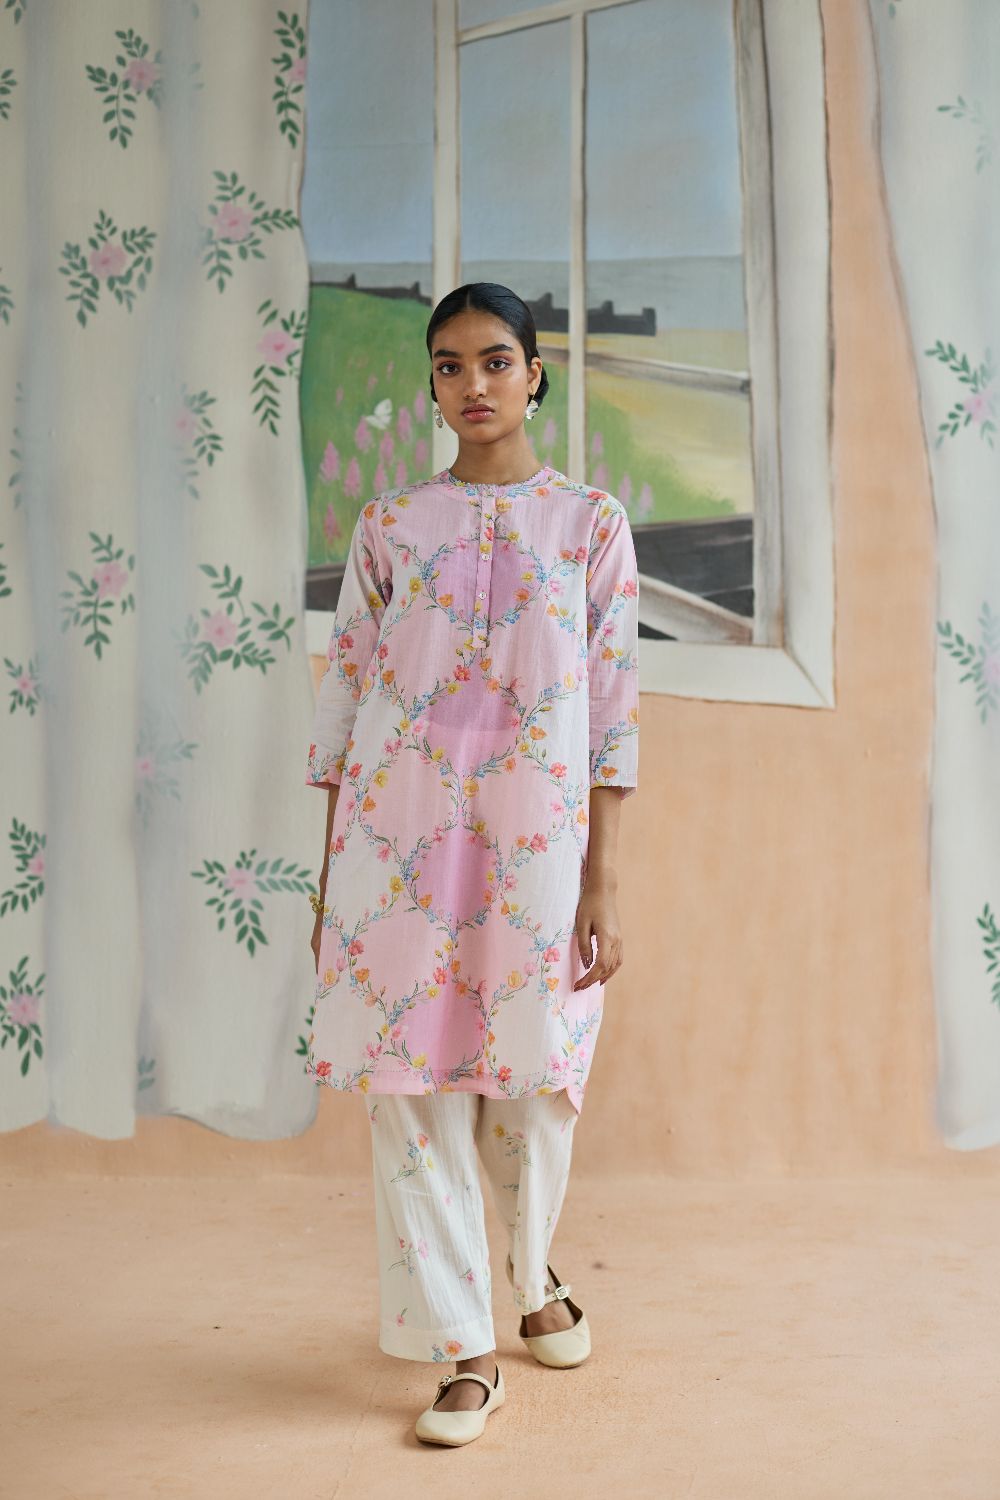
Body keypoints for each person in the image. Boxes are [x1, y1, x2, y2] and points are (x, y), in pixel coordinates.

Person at [305, 282, 639, 1446]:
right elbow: (346, 695)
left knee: (533, 1073)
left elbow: (611, 708)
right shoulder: (390, 526)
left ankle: (532, 1272)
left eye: (495, 360)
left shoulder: (588, 524)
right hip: (393, 842)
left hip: (534, 842)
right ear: (433, 385)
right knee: (406, 1085)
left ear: (534, 374)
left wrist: (601, 877)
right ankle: (463, 1347)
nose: (473, 384)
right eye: (448, 365)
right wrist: (329, 873)